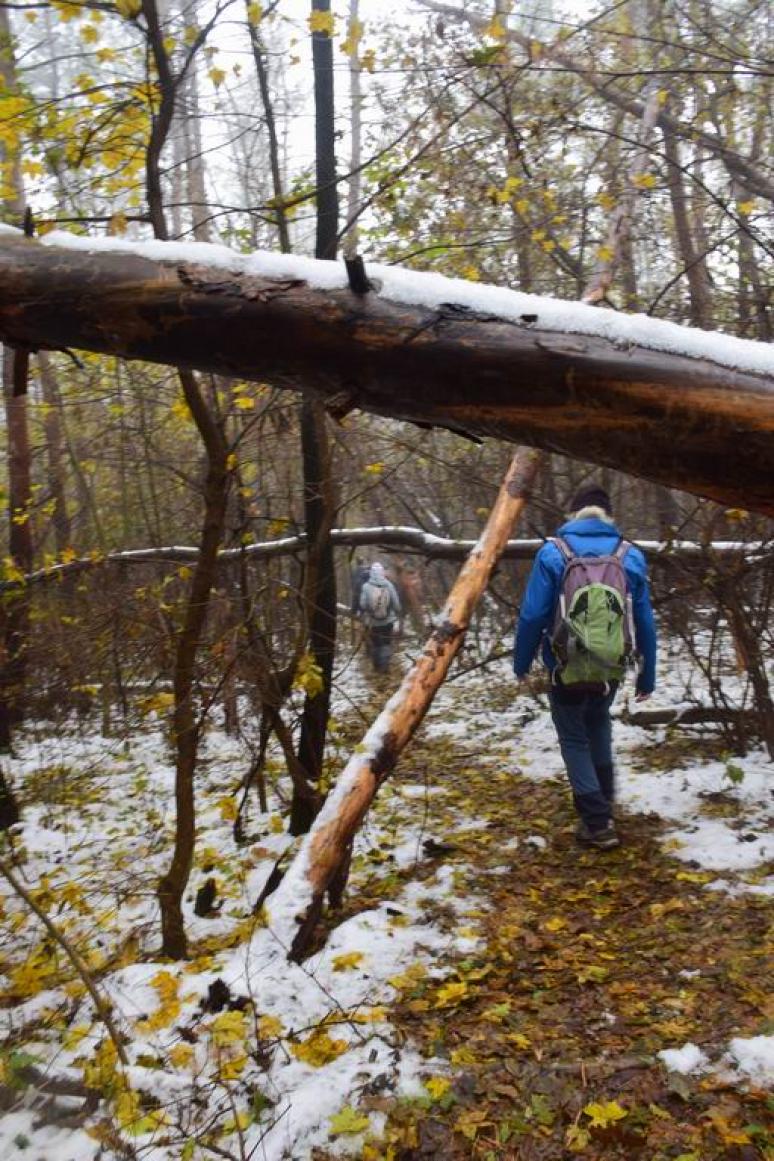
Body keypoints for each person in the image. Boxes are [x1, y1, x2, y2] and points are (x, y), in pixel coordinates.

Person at [513, 484, 657, 849]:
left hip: (565, 665)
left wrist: (521, 662)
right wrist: (647, 672)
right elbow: (644, 619)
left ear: (573, 514)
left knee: (574, 736)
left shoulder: (553, 553)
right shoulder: (630, 555)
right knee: (598, 721)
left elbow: (532, 615)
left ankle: (597, 822)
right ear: (608, 515)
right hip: (611, 666)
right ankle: (604, 800)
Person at [359, 562, 401, 673]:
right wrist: (395, 612)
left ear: (371, 573)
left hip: (372, 622)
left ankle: (377, 667)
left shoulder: (366, 587)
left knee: (376, 644)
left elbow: (362, 604)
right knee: (386, 643)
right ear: (382, 573)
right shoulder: (389, 585)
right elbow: (396, 604)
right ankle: (385, 667)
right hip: (388, 621)